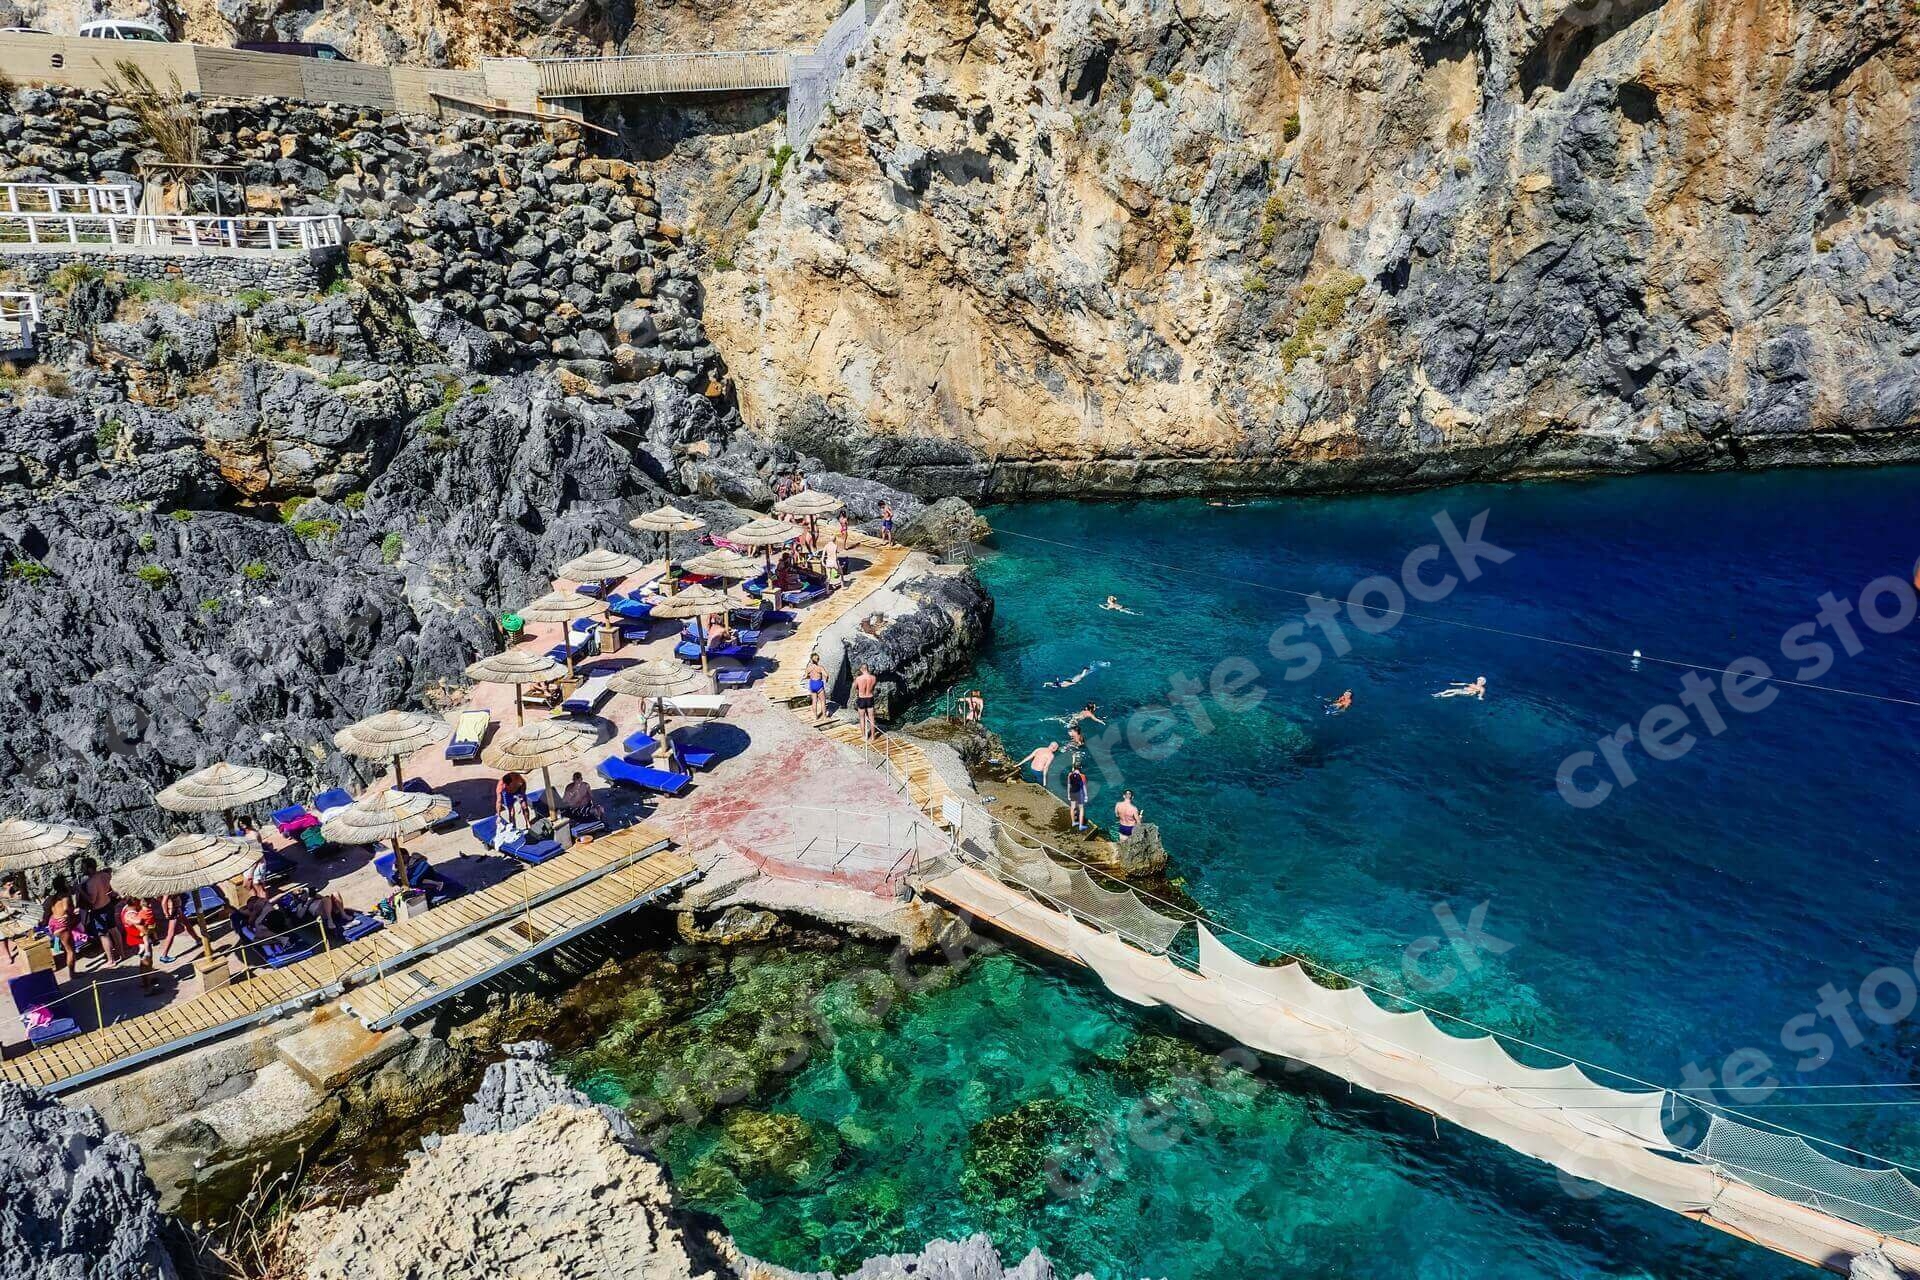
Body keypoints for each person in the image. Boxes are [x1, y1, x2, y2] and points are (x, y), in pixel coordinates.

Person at [78, 857, 122, 966]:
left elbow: (92, 900)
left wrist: (80, 890)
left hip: (98, 910)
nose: (81, 869)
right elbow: (112, 891)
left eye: (83, 867)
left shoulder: (91, 882)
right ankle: (122, 953)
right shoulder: (105, 875)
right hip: (108, 905)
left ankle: (111, 960)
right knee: (114, 930)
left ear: (89, 868)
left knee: (103, 935)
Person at [120, 897, 159, 994]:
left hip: (134, 939)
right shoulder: (133, 915)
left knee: (144, 962)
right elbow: (143, 929)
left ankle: (148, 979)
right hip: (140, 941)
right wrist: (151, 931)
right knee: (146, 961)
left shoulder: (125, 908)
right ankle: (148, 987)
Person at [42, 879, 77, 981]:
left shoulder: (52, 898)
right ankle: (72, 974)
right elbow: (66, 908)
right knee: (71, 950)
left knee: (67, 948)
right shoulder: (64, 896)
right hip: (61, 924)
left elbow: (46, 909)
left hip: (53, 922)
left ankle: (72, 972)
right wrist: (70, 914)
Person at [854, 664, 879, 740]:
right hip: (870, 698)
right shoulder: (873, 678)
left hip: (861, 698)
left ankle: (864, 736)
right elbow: (873, 687)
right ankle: (873, 737)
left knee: (862, 718)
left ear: (862, 669)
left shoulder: (858, 678)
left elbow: (855, 687)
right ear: (867, 669)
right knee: (871, 718)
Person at [1066, 761, 1089, 831]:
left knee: (1072, 807)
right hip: (1079, 793)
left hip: (1072, 792)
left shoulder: (1070, 774)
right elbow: (1084, 787)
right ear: (1080, 767)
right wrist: (1086, 796)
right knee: (1081, 809)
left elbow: (1069, 785)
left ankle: (1073, 822)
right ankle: (1081, 826)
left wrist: (1068, 794)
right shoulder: (1083, 776)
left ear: (1074, 767)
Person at [807, 653, 829, 721]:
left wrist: (810, 676)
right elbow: (826, 675)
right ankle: (824, 716)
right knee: (823, 701)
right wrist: (826, 680)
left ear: (811, 659)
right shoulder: (820, 667)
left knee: (814, 701)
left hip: (812, 684)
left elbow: (805, 676)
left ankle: (815, 717)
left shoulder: (809, 667)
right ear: (818, 660)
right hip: (819, 684)